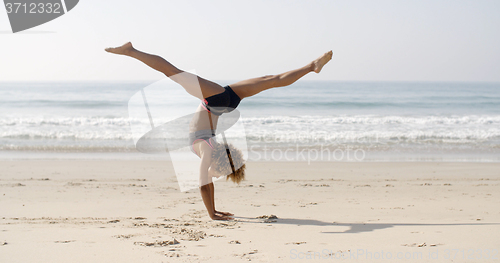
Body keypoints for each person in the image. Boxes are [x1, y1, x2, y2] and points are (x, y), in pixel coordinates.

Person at [105, 42, 333, 220]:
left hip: (228, 101)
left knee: (271, 80)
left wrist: (214, 204)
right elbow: (204, 183)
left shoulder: (213, 151)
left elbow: (210, 177)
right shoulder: (206, 150)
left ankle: (311, 66)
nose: (214, 173)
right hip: (214, 99)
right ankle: (131, 50)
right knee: (172, 72)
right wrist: (211, 213)